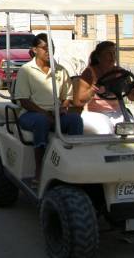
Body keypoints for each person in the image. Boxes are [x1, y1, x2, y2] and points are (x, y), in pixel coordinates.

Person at [15, 33, 83, 184]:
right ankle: (39, 170)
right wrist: (46, 114)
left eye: (51, 48)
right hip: (31, 114)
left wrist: (62, 108)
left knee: (75, 119)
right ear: (34, 50)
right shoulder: (26, 71)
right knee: (41, 122)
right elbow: (24, 101)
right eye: (45, 48)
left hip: (55, 115)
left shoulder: (60, 70)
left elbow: (68, 97)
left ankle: (74, 164)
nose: (49, 51)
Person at [73, 41, 134, 134]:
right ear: (99, 57)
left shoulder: (120, 72)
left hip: (117, 111)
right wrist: (92, 90)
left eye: (114, 53)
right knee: (107, 130)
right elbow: (80, 100)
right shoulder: (89, 72)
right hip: (94, 113)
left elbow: (133, 98)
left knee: (132, 129)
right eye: (108, 53)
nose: (112, 57)